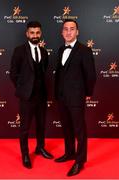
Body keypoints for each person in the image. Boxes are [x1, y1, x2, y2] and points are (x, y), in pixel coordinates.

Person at [54, 19, 96, 176]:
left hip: (77, 97)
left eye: (72, 29)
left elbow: (91, 76)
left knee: (80, 131)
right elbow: (60, 74)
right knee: (66, 128)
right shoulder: (60, 50)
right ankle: (69, 153)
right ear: (62, 32)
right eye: (65, 29)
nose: (68, 32)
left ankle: (80, 161)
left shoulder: (85, 50)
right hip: (62, 97)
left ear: (77, 32)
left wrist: (87, 94)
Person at [10, 21, 53, 169]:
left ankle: (40, 148)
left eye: (37, 33)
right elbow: (13, 74)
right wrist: (23, 89)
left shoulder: (44, 52)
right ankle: (25, 154)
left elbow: (43, 72)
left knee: (41, 125)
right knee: (25, 128)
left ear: (40, 34)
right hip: (27, 97)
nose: (35, 35)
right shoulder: (19, 51)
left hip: (41, 96)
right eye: (32, 32)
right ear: (27, 34)